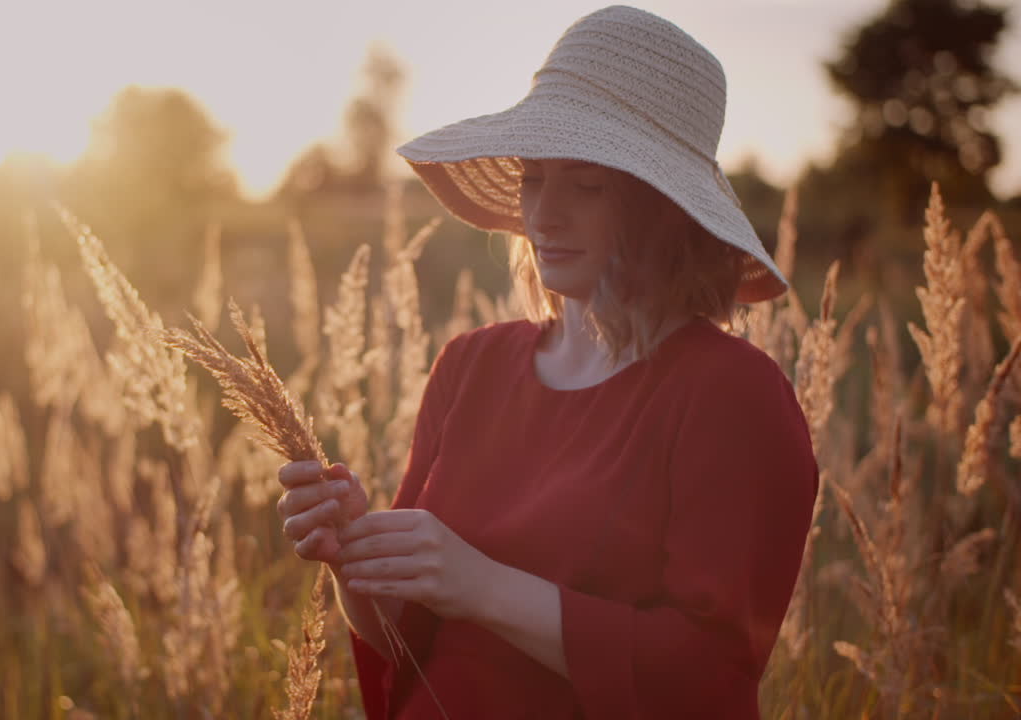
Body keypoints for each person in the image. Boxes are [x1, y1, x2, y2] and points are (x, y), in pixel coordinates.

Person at [275, 6, 818, 718]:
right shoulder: (470, 366)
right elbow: (407, 643)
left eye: (586, 185)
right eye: (533, 178)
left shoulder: (731, 394)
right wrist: (358, 560)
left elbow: (708, 677)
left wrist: (479, 584)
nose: (543, 215)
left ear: (662, 209)